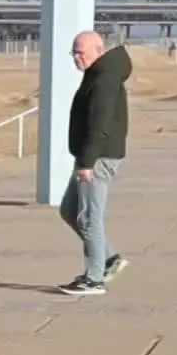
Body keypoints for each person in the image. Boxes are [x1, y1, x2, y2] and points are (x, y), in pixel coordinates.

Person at [58, 29, 130, 296]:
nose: (76, 58)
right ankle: (109, 259)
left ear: (97, 51)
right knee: (69, 209)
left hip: (97, 157)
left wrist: (87, 162)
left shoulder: (104, 78)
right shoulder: (97, 73)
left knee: (89, 217)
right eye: (73, 53)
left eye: (81, 53)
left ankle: (94, 279)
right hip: (88, 155)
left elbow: (99, 124)